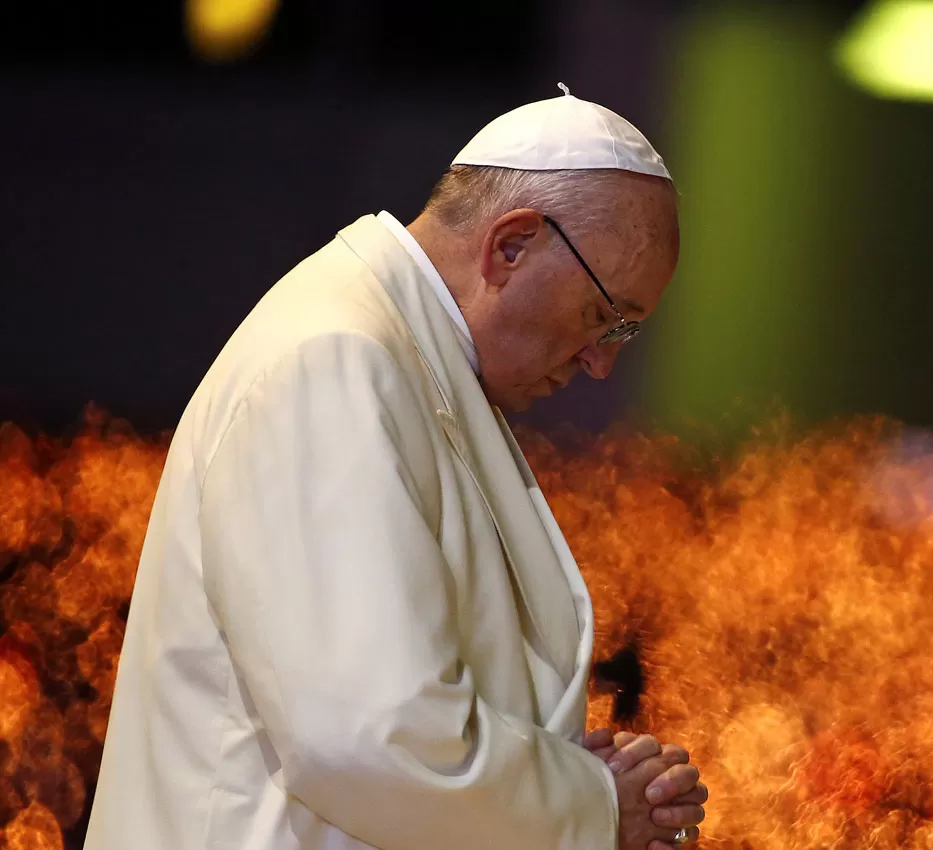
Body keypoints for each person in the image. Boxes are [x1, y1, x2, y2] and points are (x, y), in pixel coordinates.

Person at [83, 86, 708, 850]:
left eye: (626, 333)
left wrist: (566, 768)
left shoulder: (407, 356)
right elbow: (366, 736)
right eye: (603, 316)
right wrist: (591, 803)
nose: (602, 362)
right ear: (511, 245)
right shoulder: (335, 357)